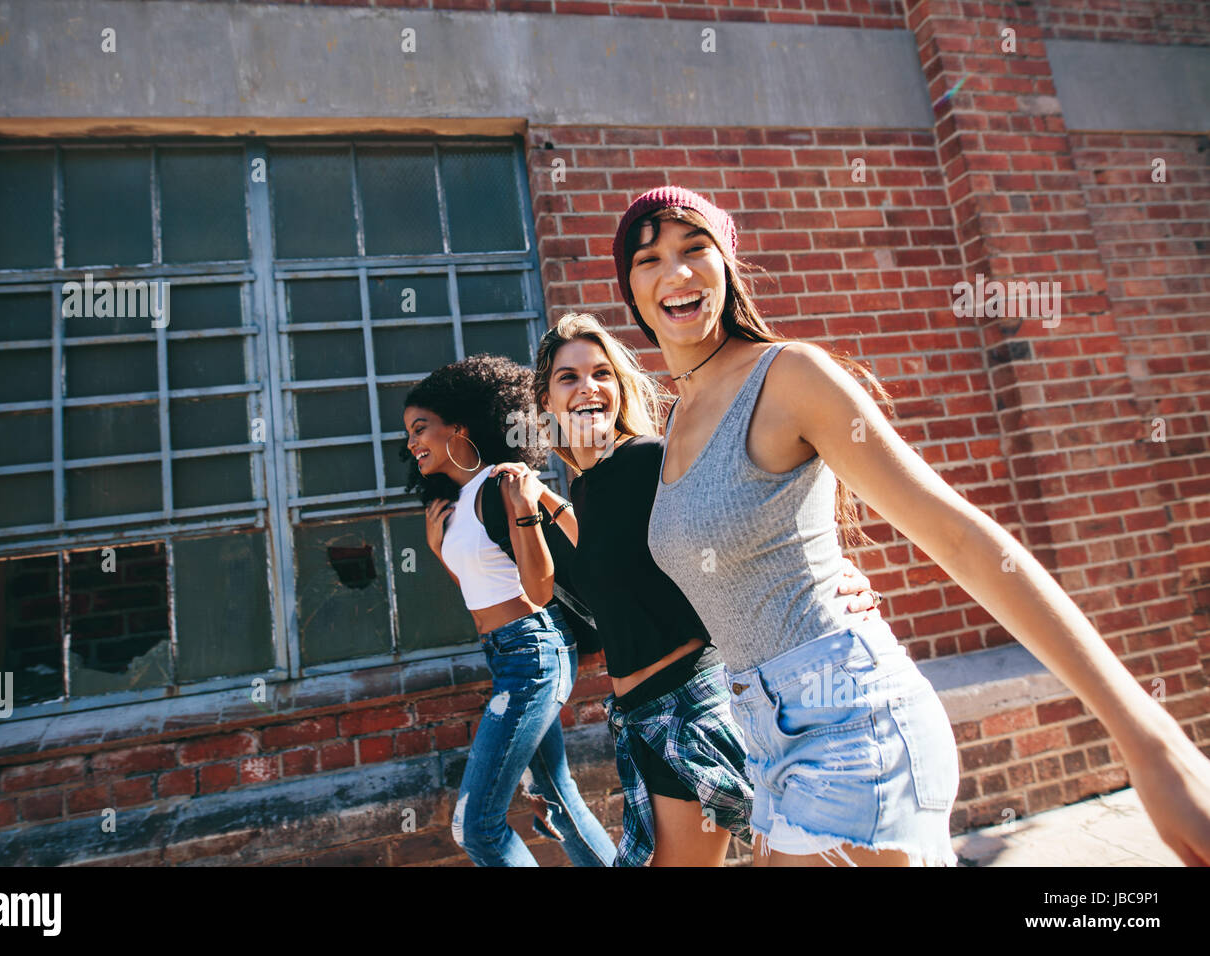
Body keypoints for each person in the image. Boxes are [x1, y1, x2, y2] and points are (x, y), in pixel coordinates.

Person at [610, 184, 1210, 867]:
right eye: (649, 258)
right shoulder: (676, 419)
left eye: (696, 249)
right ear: (630, 287)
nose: (677, 273)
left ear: (728, 264)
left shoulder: (788, 376)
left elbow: (959, 535)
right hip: (766, 740)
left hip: (852, 726)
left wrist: (1148, 740)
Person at [490, 312, 881, 865]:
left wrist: (835, 573)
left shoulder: (652, 459)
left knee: (810, 856)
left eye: (601, 373)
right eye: (568, 378)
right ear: (547, 403)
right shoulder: (590, 489)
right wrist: (535, 507)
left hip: (696, 705)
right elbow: (566, 576)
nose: (587, 388)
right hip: (641, 718)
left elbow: (745, 515)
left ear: (620, 386)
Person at [402, 354, 616, 867]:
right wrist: (438, 551)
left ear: (459, 426)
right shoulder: (452, 504)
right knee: (559, 802)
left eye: (420, 428)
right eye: (407, 434)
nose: (411, 444)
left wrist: (530, 510)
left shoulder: (502, 483)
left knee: (475, 826)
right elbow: (480, 588)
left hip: (534, 651)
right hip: (504, 654)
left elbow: (554, 576)